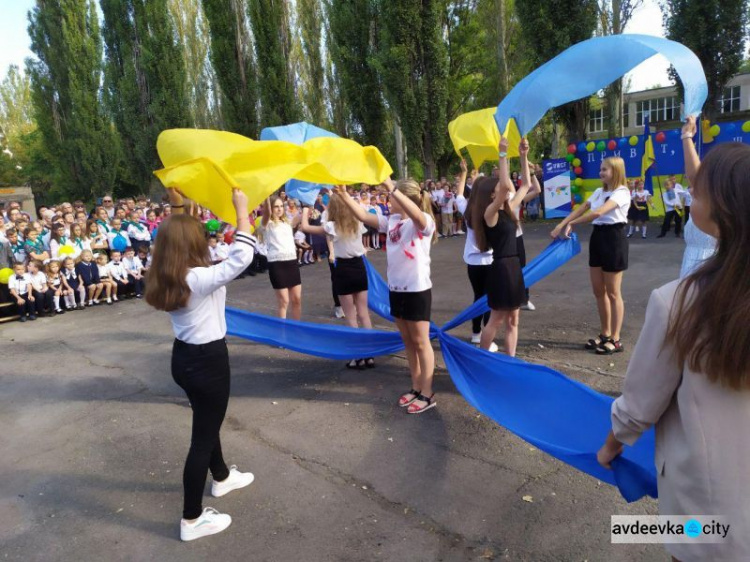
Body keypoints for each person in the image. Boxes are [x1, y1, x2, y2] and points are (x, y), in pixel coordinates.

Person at [597, 116, 750, 561]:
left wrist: (608, 449)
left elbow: (639, 406)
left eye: (698, 188)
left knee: (640, 530)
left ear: (717, 210)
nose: (690, 190)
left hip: (707, 520)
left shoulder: (676, 304)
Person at [145, 187, 257, 542]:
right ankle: (191, 519)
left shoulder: (167, 270)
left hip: (185, 358)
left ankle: (222, 477)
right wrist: (241, 213)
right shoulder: (198, 277)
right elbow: (242, 258)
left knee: (207, 421)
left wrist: (177, 203)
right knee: (202, 438)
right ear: (192, 243)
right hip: (207, 361)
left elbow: (176, 230)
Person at [339, 177, 438, 414]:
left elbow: (417, 216)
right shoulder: (392, 220)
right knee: (407, 341)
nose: (387, 200)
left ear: (403, 198)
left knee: (421, 342)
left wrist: (393, 187)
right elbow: (364, 217)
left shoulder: (424, 223)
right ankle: (415, 387)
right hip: (396, 289)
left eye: (390, 197)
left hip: (417, 290)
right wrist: (343, 195)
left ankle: (427, 392)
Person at [551, 156, 631, 355]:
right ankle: (605, 334)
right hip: (598, 238)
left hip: (614, 239)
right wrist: (562, 224)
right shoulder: (597, 192)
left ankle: (616, 338)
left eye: (605, 169)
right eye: (600, 169)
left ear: (616, 171)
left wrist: (573, 224)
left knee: (613, 293)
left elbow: (599, 213)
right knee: (598, 291)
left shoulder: (621, 192)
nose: (601, 172)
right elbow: (581, 209)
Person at [300, 194, 375, 369]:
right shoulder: (358, 222)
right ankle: (370, 354)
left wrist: (305, 209)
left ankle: (357, 356)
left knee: (350, 316)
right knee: (363, 313)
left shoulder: (331, 226)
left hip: (344, 270)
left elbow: (305, 227)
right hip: (359, 267)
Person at [475, 136, 532, 356]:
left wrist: (524, 156)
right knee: (497, 319)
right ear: (491, 194)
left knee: (514, 318)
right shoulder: (489, 213)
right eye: (499, 189)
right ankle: (482, 357)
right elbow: (505, 187)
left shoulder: (509, 209)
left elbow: (526, 184)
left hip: (514, 267)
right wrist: (503, 154)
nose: (506, 190)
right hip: (500, 269)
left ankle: (511, 360)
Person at [455, 159, 497, 351]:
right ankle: (488, 338)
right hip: (489, 260)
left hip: (472, 261)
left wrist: (464, 173)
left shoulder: (467, 208)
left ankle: (475, 334)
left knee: (478, 296)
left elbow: (458, 195)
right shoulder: (492, 209)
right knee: (488, 299)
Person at [262, 195, 302, 320]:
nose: (279, 209)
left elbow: (301, 215)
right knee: (284, 301)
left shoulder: (287, 222)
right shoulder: (267, 223)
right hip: (277, 264)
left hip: (291, 262)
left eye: (281, 206)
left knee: (296, 299)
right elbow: (267, 213)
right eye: (276, 206)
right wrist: (266, 195)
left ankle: (297, 329)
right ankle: (283, 332)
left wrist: (308, 205)